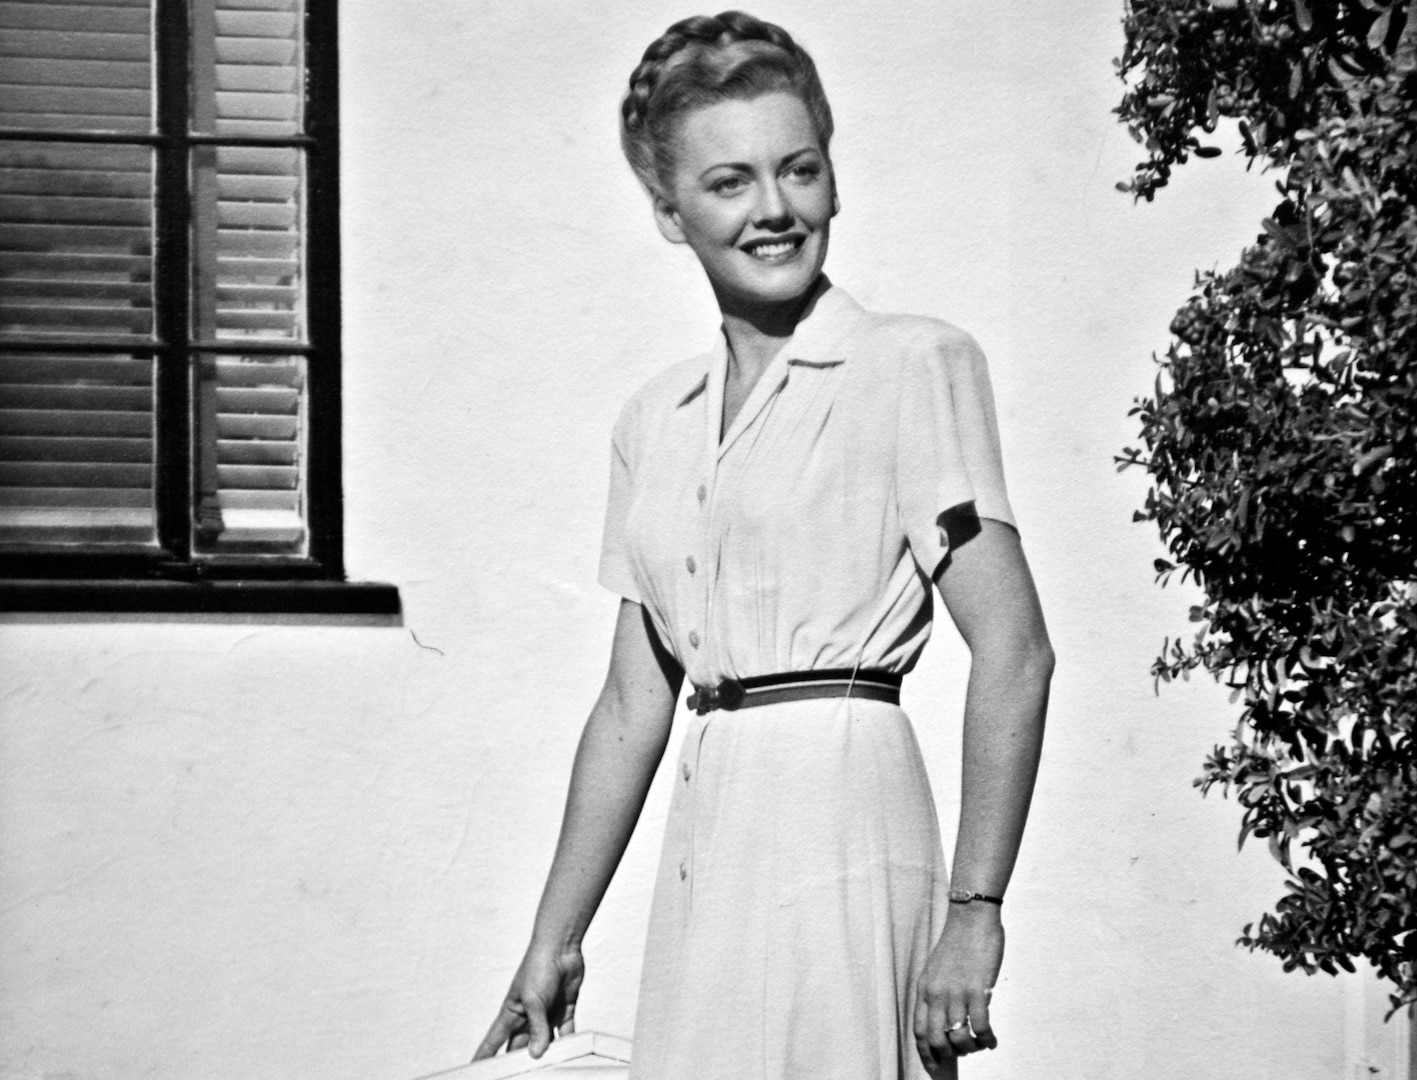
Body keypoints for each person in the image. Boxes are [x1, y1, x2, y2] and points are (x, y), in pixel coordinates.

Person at [473, 11, 1053, 1079]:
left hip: (844, 801)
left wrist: (975, 912)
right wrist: (553, 938)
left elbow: (1015, 651)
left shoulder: (910, 365)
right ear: (668, 209)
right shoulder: (656, 420)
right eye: (731, 181)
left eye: (799, 170)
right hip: (713, 816)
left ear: (832, 179)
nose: (776, 209)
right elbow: (629, 705)